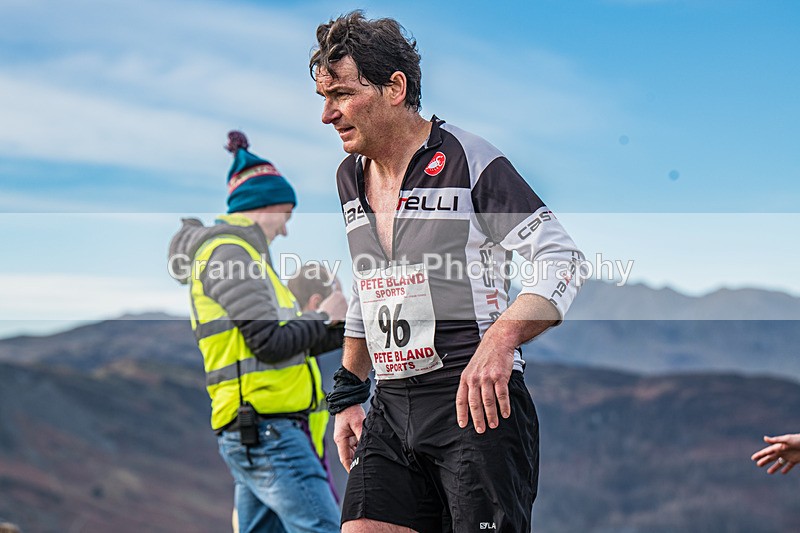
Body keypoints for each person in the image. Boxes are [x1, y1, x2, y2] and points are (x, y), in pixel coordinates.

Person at [311, 12, 584, 532]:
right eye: (324, 97)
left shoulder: (468, 158)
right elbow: (369, 282)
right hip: (391, 406)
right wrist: (348, 390)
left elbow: (562, 259)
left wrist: (502, 339)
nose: (328, 114)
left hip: (473, 404)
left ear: (395, 87)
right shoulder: (349, 175)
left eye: (342, 94)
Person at [168, 131, 346, 533]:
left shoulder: (246, 258)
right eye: (286, 214)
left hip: (260, 429)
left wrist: (337, 326)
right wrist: (322, 318)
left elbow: (282, 344)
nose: (285, 229)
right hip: (269, 432)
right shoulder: (230, 255)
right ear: (263, 206)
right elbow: (269, 343)